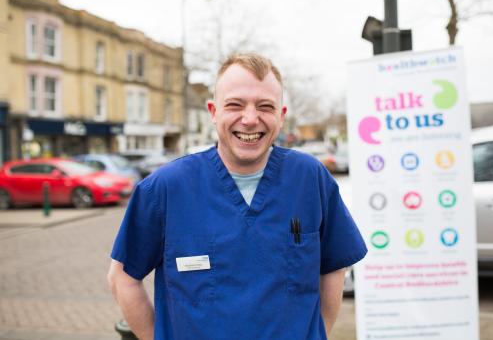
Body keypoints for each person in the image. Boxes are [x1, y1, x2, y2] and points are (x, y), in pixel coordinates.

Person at [107, 53, 367, 340]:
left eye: (265, 106)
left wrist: (318, 333)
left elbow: (334, 266)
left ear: (281, 116)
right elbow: (122, 277)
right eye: (235, 105)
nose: (250, 119)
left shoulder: (310, 179)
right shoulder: (165, 189)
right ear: (213, 111)